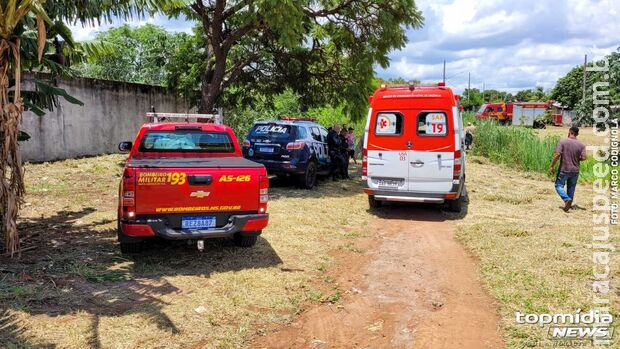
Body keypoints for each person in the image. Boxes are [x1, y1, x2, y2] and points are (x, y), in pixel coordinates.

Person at [549, 126, 587, 212]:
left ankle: (566, 200)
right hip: (575, 170)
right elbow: (584, 157)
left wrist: (552, 166)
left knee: (558, 185)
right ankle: (569, 204)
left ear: (569, 132)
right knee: (571, 187)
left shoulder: (563, 141)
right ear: (577, 134)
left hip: (564, 169)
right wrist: (577, 159)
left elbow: (557, 154)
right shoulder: (581, 145)